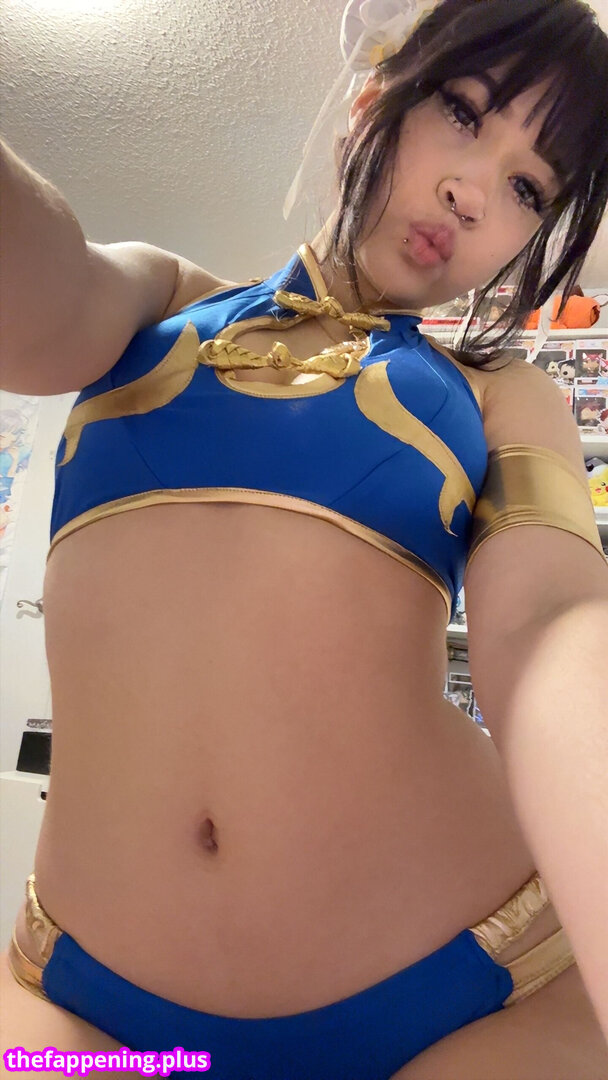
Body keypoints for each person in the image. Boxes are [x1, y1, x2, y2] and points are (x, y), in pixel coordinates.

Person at [1, 0, 608, 1076]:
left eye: (528, 187)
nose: (473, 194)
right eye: (462, 113)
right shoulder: (155, 303)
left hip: (467, 996)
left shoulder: (499, 395)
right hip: (83, 1006)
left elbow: (552, 620)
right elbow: (32, 309)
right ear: (372, 100)